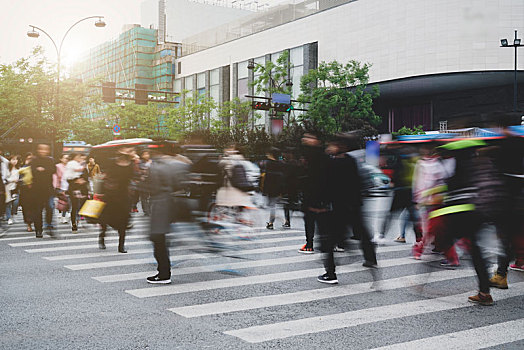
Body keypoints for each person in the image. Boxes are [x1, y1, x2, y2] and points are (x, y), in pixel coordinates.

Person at [318, 133, 377, 284]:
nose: (329, 147)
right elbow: (357, 183)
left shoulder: (333, 163)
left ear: (339, 146)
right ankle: (370, 258)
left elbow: (326, 187)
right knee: (362, 233)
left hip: (338, 209)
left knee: (329, 242)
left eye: (332, 144)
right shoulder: (351, 161)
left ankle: (330, 274)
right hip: (354, 206)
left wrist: (323, 204)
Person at [146, 146, 190, 284]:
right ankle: (164, 271)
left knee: (157, 239)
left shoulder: (156, 166)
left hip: (160, 204)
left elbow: (152, 187)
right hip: (170, 202)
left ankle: (164, 273)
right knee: (161, 239)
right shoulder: (173, 165)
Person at [489, 120, 524, 288]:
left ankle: (501, 275)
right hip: (517, 199)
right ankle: (501, 274)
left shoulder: (504, 146)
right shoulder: (518, 143)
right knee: (511, 238)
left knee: (507, 239)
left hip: (510, 201)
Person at [379, 145, 422, 242]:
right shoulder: (411, 159)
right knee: (412, 217)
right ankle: (419, 238)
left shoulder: (400, 158)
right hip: (409, 190)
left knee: (392, 215)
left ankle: (382, 235)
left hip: (402, 190)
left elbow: (399, 173)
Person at [98, 146, 135, 253]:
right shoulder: (111, 162)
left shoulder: (131, 164)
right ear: (119, 150)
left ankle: (121, 246)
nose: (129, 150)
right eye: (126, 149)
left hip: (124, 196)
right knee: (106, 220)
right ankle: (102, 238)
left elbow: (133, 178)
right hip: (111, 196)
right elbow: (105, 176)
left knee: (123, 222)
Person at [299, 132, 331, 254]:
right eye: (305, 137)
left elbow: (322, 177)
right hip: (311, 195)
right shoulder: (309, 155)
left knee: (318, 222)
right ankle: (310, 243)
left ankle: (313, 244)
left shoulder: (319, 156)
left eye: (309, 137)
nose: (305, 139)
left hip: (317, 195)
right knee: (311, 221)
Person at [31, 144, 56, 238]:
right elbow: (33, 170)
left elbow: (53, 170)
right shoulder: (34, 160)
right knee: (37, 211)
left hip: (48, 189)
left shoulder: (50, 160)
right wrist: (40, 170)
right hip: (36, 190)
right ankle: (38, 230)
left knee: (50, 208)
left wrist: (43, 169)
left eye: (45, 149)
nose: (43, 151)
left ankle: (49, 226)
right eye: (41, 149)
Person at [64, 153, 89, 232]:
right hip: (73, 186)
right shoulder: (72, 163)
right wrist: (84, 165)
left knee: (78, 204)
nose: (80, 158)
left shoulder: (76, 164)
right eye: (78, 156)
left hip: (78, 186)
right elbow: (78, 170)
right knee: (75, 205)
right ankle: (74, 223)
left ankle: (77, 221)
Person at [261, 147, 283, 229]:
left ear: (271, 154)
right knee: (272, 205)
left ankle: (272, 222)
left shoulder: (269, 164)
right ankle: (273, 221)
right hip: (277, 187)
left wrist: (264, 190)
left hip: (271, 187)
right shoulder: (280, 164)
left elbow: (267, 177)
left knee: (271, 205)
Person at [18, 153, 34, 232]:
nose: (30, 160)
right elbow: (19, 180)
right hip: (25, 191)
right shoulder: (22, 169)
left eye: (31, 158)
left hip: (35, 191)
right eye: (28, 158)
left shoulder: (35, 168)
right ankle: (29, 224)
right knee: (26, 208)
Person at [5, 155, 21, 225]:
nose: (15, 161)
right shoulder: (6, 169)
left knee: (15, 203)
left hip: (15, 188)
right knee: (8, 204)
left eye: (16, 159)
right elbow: (5, 179)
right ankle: (9, 218)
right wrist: (13, 180)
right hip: (7, 189)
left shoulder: (18, 169)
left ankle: (13, 215)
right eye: (13, 159)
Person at [55, 154, 69, 224]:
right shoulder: (58, 166)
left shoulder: (69, 166)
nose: (66, 159)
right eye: (65, 158)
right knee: (64, 201)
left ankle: (62, 213)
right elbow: (57, 176)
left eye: (67, 158)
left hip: (68, 186)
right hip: (60, 186)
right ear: (61, 159)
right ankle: (63, 216)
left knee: (66, 201)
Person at [138, 150, 152, 216]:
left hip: (151, 181)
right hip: (143, 183)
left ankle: (150, 209)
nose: (146, 155)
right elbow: (140, 171)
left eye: (148, 154)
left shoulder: (153, 161)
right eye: (145, 154)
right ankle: (146, 211)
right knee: (144, 197)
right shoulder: (140, 162)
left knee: (151, 197)